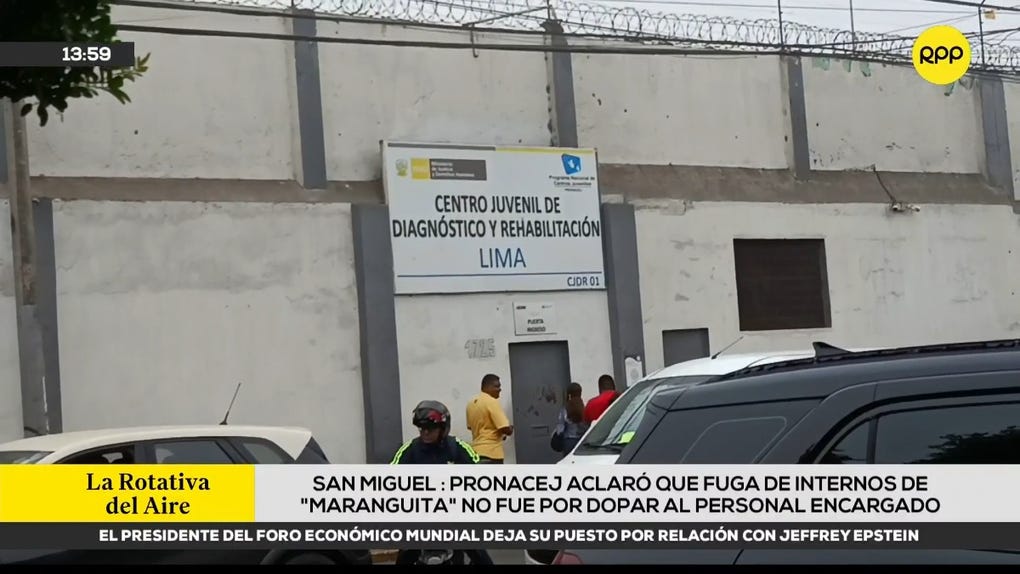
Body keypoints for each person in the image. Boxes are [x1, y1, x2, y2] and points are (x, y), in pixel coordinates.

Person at [391, 400, 480, 464]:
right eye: (422, 428)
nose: (426, 432)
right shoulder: (410, 449)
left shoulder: (457, 447)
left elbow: (480, 470)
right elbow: (390, 474)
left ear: (443, 429)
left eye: (430, 428)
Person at [466, 374, 513, 464]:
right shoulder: (492, 402)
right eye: (497, 386)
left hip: (475, 453)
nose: (500, 389)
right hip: (492, 453)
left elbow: (471, 427)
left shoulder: (471, 404)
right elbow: (505, 428)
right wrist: (511, 428)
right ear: (487, 387)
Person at [555, 382, 588, 457]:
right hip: (582, 441)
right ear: (580, 393)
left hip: (569, 441)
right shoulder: (583, 407)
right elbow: (587, 425)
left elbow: (560, 428)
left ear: (570, 394)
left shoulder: (565, 408)